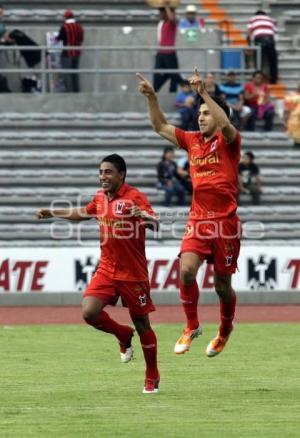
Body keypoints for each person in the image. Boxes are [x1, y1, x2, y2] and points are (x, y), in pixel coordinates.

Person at [137, 68, 241, 358]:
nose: (201, 116)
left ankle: (225, 329)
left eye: (207, 113)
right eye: (200, 113)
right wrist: (152, 98)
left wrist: (204, 93)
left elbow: (227, 127)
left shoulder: (230, 142)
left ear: (221, 117)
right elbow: (160, 126)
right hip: (198, 222)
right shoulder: (192, 141)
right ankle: (192, 325)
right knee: (185, 271)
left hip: (226, 226)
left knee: (222, 286)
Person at [36, 154, 160, 394]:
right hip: (107, 269)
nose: (103, 176)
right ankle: (123, 334)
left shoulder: (135, 197)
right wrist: (53, 213)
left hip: (133, 273)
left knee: (142, 323)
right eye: (101, 172)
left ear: (121, 174)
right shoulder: (100, 198)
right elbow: (83, 212)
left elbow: (155, 223)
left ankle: (152, 374)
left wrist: (144, 217)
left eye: (108, 172)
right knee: (89, 312)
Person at [153, 1, 183, 93]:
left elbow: (172, 18)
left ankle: (184, 86)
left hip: (169, 53)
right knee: (158, 74)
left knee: (174, 75)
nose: (160, 14)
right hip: (161, 53)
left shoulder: (172, 23)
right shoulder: (162, 23)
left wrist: (167, 6)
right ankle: (154, 91)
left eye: (162, 12)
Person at [247, 10, 278, 84]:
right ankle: (273, 80)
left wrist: (250, 45)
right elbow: (275, 32)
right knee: (273, 61)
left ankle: (259, 80)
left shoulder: (252, 19)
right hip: (270, 40)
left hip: (259, 40)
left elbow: (249, 32)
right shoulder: (270, 19)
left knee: (259, 60)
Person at [56, 10, 84, 92]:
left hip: (67, 53)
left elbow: (59, 38)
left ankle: (69, 91)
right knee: (75, 73)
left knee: (67, 73)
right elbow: (81, 39)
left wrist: (54, 39)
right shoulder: (79, 27)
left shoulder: (64, 27)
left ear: (65, 17)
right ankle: (76, 91)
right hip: (77, 52)